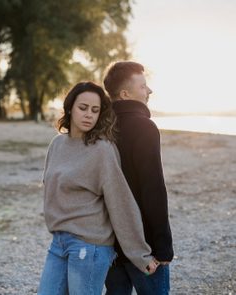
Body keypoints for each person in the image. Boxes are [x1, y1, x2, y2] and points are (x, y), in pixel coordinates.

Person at [37, 81, 158, 295]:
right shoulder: (56, 145)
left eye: (95, 110)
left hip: (89, 247)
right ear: (70, 108)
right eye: (83, 108)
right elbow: (50, 189)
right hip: (59, 242)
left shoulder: (102, 149)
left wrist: (139, 254)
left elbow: (120, 202)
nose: (89, 115)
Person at [103, 61, 174, 295]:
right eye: (143, 86)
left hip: (110, 242)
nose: (149, 91)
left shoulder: (101, 129)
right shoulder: (144, 127)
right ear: (125, 94)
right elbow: (152, 189)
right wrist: (163, 248)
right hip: (144, 244)